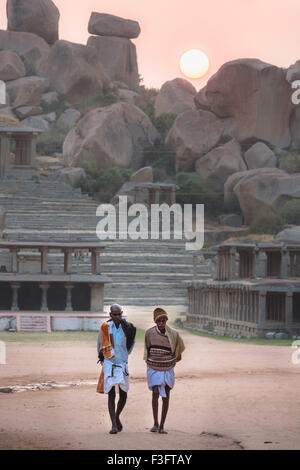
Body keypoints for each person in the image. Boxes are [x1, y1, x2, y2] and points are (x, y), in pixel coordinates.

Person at [144, 307, 185, 434]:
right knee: (155, 392)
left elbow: (179, 352)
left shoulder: (174, 334)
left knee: (166, 395)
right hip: (153, 366)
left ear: (166, 320)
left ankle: (162, 425)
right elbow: (147, 349)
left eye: (163, 320)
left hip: (167, 367)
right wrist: (153, 361)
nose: (161, 323)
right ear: (155, 321)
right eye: (159, 321)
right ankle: (155, 423)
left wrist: (170, 361)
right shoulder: (149, 333)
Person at [97, 304, 136, 434]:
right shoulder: (105, 327)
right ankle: (113, 425)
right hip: (110, 362)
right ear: (110, 315)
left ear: (122, 313)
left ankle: (117, 416)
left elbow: (131, 344)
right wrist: (104, 358)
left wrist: (124, 355)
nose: (118, 317)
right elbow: (100, 344)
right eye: (115, 315)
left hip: (123, 363)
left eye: (119, 314)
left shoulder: (128, 328)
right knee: (111, 395)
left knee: (124, 394)